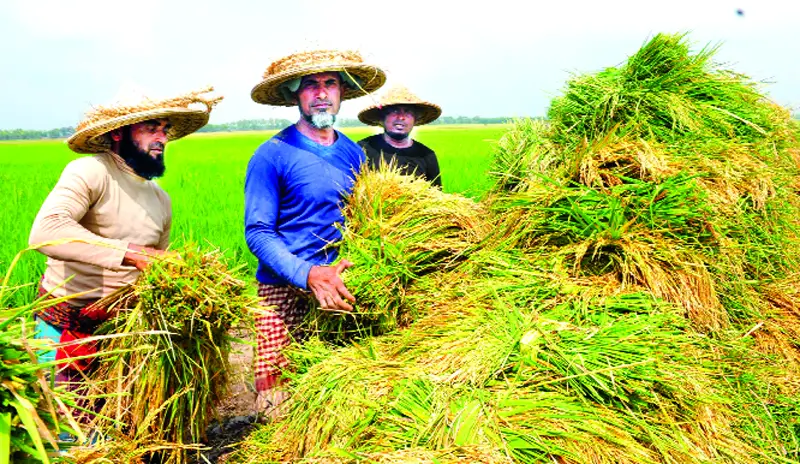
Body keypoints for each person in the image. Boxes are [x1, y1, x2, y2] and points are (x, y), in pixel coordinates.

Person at [29, 87, 221, 426]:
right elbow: (46, 231)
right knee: (65, 436)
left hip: (122, 337)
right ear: (118, 132)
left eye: (164, 129)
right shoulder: (91, 172)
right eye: (151, 128)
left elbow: (154, 268)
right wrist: (131, 254)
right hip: (67, 332)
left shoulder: (161, 199)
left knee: (115, 433)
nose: (161, 137)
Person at [245, 50, 385, 415]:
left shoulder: (354, 155)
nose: (321, 93)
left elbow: (363, 223)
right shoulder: (271, 155)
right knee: (279, 406)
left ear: (341, 93)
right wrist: (308, 274)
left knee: (336, 402)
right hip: (283, 291)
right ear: (296, 95)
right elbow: (258, 232)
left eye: (330, 84)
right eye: (311, 85)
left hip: (340, 288)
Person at [357, 84, 443, 187]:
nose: (401, 117)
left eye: (408, 112)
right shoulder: (363, 149)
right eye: (394, 111)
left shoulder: (426, 155)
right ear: (382, 118)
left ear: (415, 120)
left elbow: (436, 194)